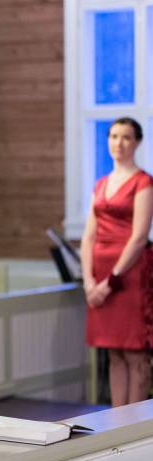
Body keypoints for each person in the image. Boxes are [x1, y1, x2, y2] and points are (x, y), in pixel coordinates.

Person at [81, 117, 153, 407]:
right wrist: (89, 283)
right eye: (113, 136)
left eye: (125, 137)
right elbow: (88, 237)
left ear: (137, 142)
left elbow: (139, 237)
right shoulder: (101, 184)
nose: (118, 143)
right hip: (98, 278)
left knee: (135, 354)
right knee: (113, 353)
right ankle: (117, 422)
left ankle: (137, 428)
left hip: (130, 276)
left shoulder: (143, 182)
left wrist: (110, 282)